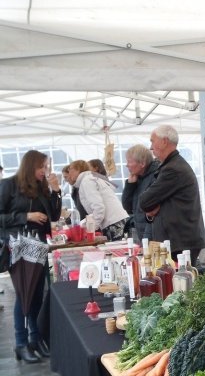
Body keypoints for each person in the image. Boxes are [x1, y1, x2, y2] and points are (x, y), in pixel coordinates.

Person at [0, 150, 61, 363]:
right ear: (30, 166)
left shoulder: (42, 187)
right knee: (24, 295)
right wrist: (25, 216)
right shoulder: (9, 185)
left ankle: (35, 340)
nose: (45, 171)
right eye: (42, 167)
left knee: (37, 296)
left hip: (39, 246)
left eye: (47, 166)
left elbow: (53, 216)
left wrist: (56, 191)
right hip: (19, 247)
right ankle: (21, 343)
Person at [139, 125, 205, 262]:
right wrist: (151, 211)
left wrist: (152, 207)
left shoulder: (173, 169)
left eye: (153, 141)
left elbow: (144, 201)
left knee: (180, 282)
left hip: (180, 241)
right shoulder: (171, 166)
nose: (151, 147)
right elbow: (148, 203)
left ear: (164, 141)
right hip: (178, 240)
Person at [67, 160, 128, 241]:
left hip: (114, 223)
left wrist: (91, 229)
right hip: (116, 221)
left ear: (78, 169)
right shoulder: (90, 179)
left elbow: (98, 207)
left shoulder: (87, 181)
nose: (69, 173)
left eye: (70, 169)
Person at [121, 145, 159, 242]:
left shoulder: (156, 177)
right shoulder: (137, 178)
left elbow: (153, 213)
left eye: (129, 161)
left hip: (153, 237)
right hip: (142, 233)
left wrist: (146, 240)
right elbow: (128, 207)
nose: (127, 165)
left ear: (142, 163)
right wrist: (130, 186)